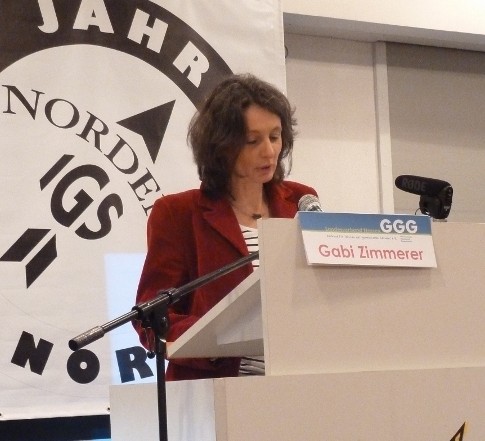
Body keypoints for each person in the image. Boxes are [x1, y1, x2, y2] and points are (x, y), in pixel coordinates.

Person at [133, 73, 319, 381]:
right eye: (252, 141)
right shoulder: (178, 214)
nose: (269, 152)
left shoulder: (301, 201)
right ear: (221, 146)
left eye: (275, 137)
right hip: (218, 387)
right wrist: (215, 343)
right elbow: (152, 318)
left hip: (295, 381)